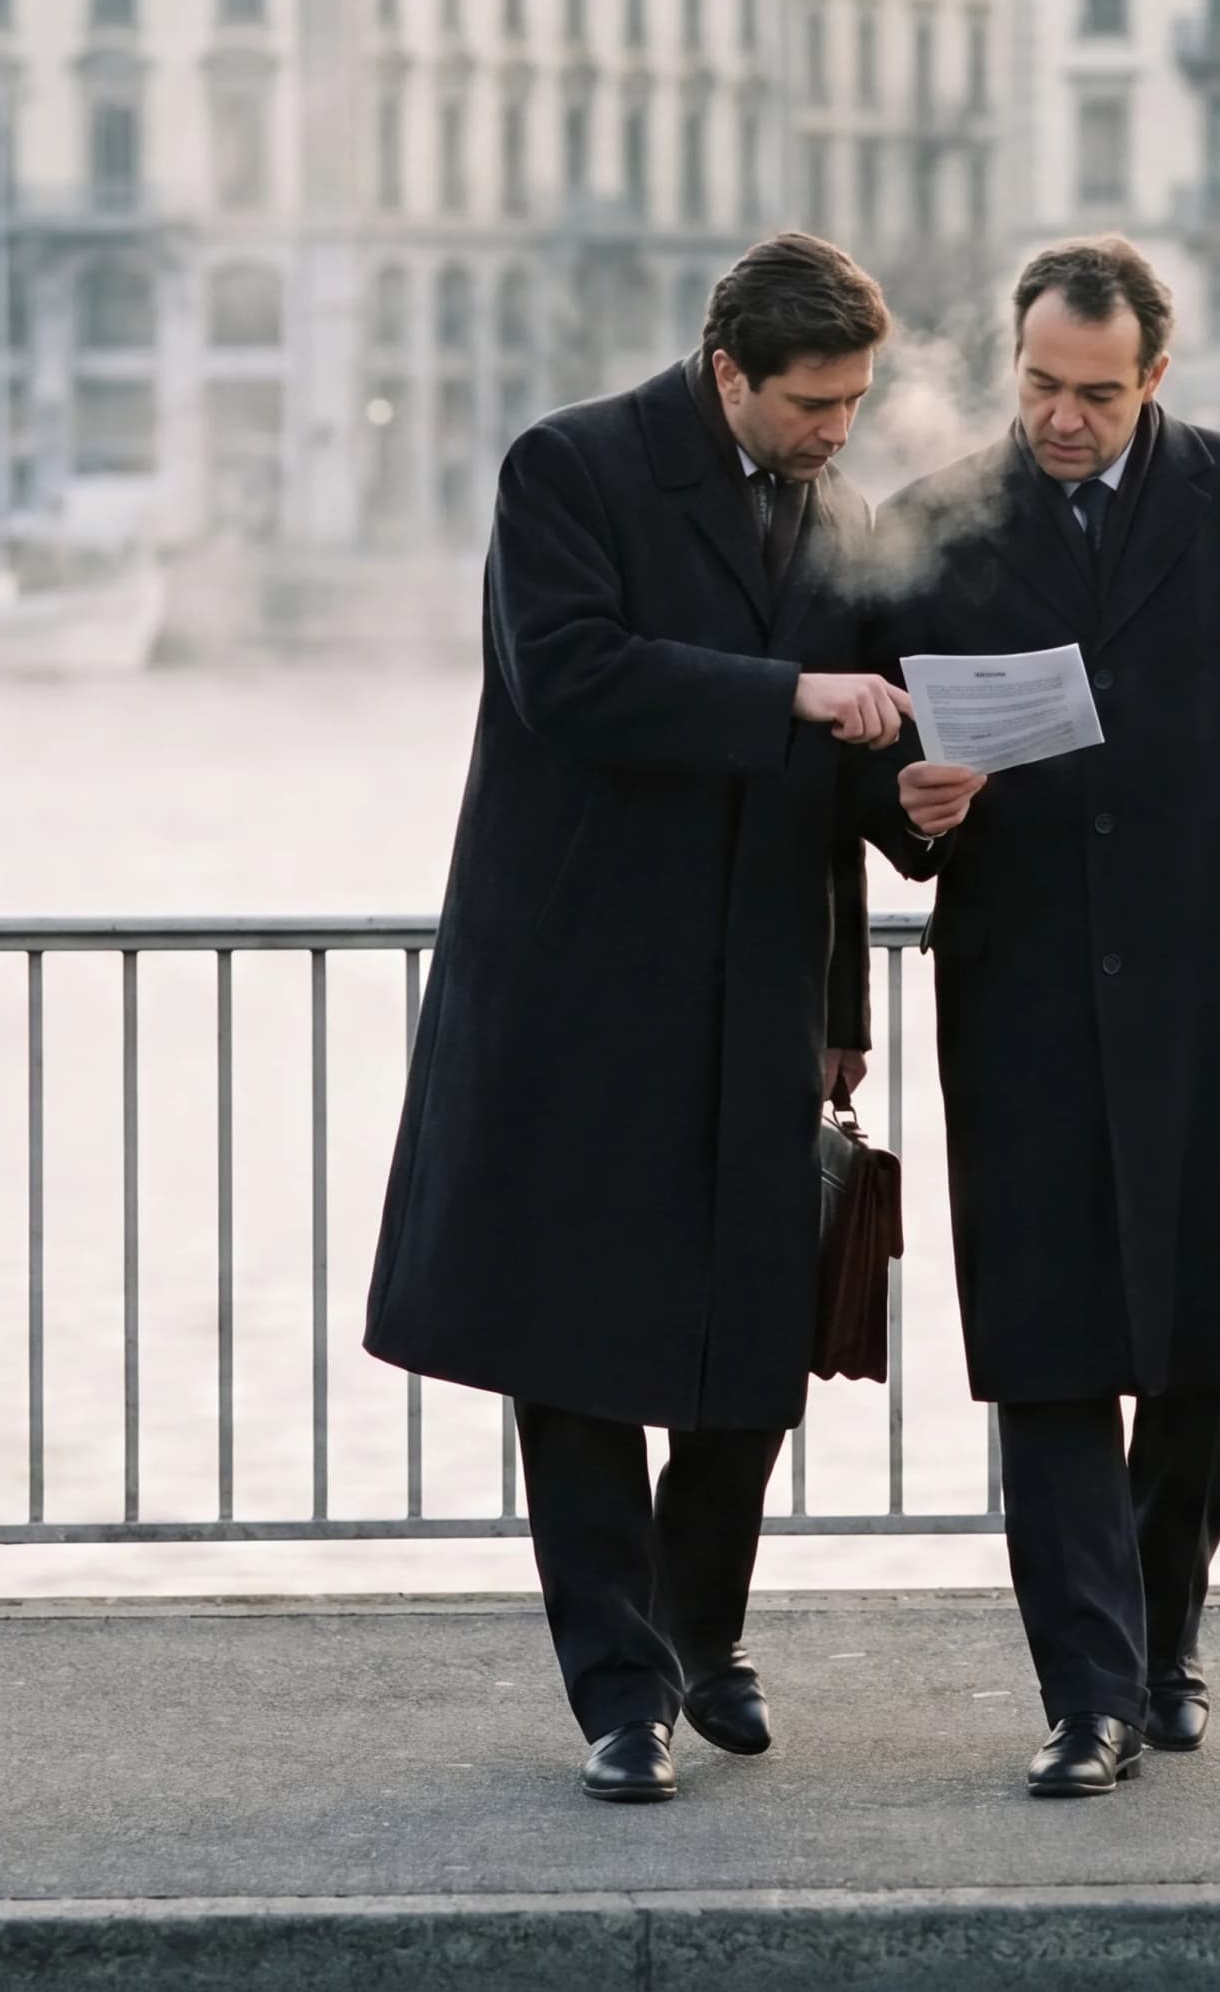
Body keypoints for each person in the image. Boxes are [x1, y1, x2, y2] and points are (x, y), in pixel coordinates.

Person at [363, 232, 936, 1805]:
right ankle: (621, 1691)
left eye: (859, 402)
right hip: (579, 989)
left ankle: (699, 1633)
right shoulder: (569, 469)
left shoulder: (840, 518)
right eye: (817, 402)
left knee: (750, 1348)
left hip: (759, 995)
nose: (841, 429)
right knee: (586, 1356)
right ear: (728, 371)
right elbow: (573, 679)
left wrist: (923, 812)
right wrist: (791, 700)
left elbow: (851, 793)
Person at [858, 235, 1220, 1798]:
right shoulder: (929, 520)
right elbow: (874, 785)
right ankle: (1087, 1694)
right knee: (1048, 1343)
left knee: (1216, 1338)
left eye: (1095, 391)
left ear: (1155, 377)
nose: (1060, 417)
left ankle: (1162, 1642)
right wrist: (917, 810)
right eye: (1037, 384)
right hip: (1021, 985)